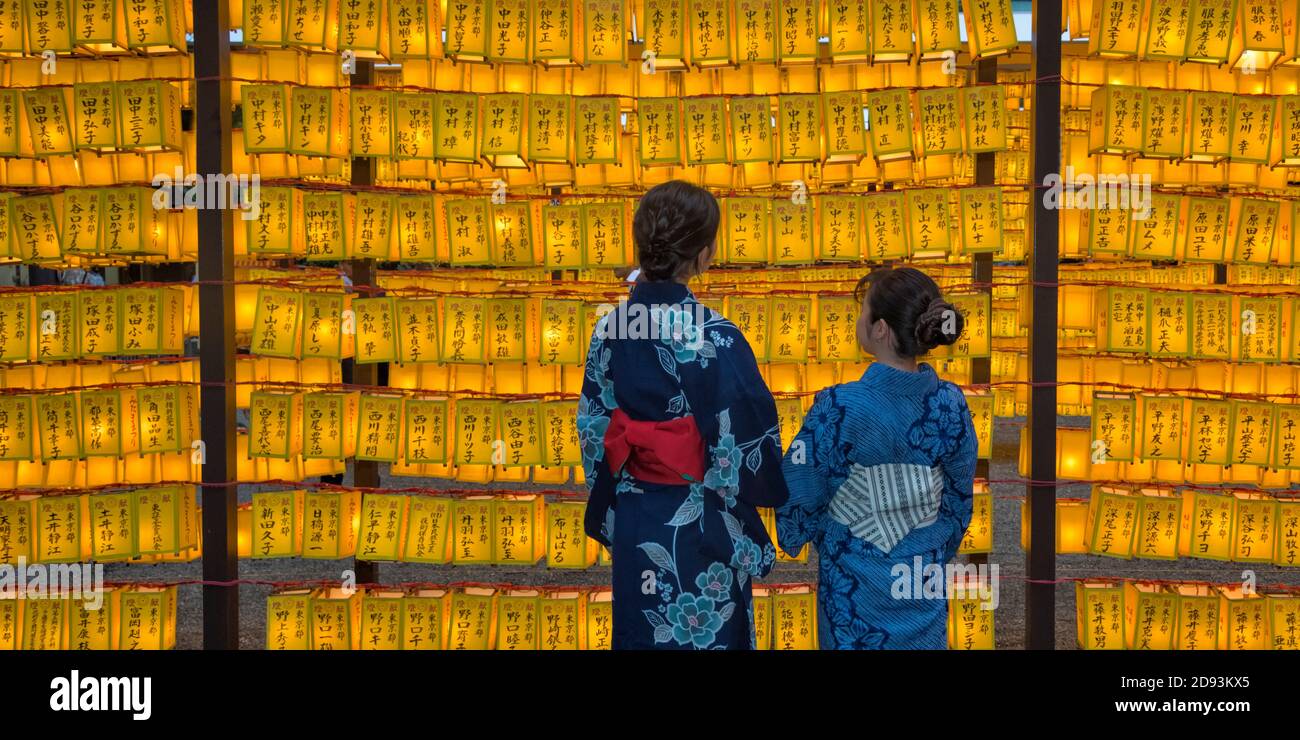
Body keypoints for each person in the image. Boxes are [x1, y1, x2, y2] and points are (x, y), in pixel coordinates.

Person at [579, 180, 789, 650]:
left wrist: (619, 498)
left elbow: (595, 432)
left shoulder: (608, 329)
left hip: (636, 514)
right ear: (704, 254)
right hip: (702, 521)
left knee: (643, 629)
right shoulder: (716, 335)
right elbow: (749, 437)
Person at [775, 266, 977, 649]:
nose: (859, 319)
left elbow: (800, 492)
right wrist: (928, 539)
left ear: (880, 329)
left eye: (862, 311)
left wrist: (829, 529)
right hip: (921, 581)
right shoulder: (950, 403)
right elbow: (958, 498)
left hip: (854, 587)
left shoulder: (841, 406)